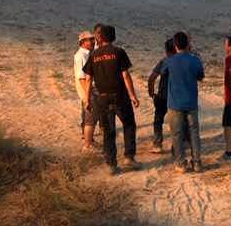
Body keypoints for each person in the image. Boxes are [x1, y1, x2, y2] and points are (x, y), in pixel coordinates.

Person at [83, 24, 141, 174]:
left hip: (102, 98)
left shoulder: (93, 55)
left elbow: (88, 79)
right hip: (120, 96)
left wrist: (87, 99)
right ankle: (129, 158)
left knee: (108, 130)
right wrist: (133, 96)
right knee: (129, 125)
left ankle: (111, 164)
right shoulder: (119, 52)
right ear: (113, 37)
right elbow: (125, 75)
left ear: (100, 37)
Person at [164, 31, 205, 173]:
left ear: (175, 45)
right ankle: (197, 162)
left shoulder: (169, 61)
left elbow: (163, 73)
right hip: (191, 102)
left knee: (177, 134)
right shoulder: (195, 60)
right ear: (188, 44)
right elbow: (200, 76)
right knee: (194, 133)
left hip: (175, 103)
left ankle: (181, 163)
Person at [147, 38, 175, 154]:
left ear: (166, 50)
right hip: (175, 97)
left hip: (162, 96)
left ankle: (157, 144)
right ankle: (178, 143)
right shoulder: (181, 61)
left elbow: (152, 78)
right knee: (177, 121)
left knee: (158, 120)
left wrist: (151, 92)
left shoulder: (164, 61)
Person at [73, 30, 96, 151]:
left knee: (88, 116)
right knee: (89, 117)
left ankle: (88, 139)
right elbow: (82, 78)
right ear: (82, 42)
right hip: (87, 90)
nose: (93, 41)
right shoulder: (81, 55)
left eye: (93, 39)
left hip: (88, 90)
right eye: (90, 40)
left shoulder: (88, 53)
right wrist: (88, 94)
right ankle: (88, 144)